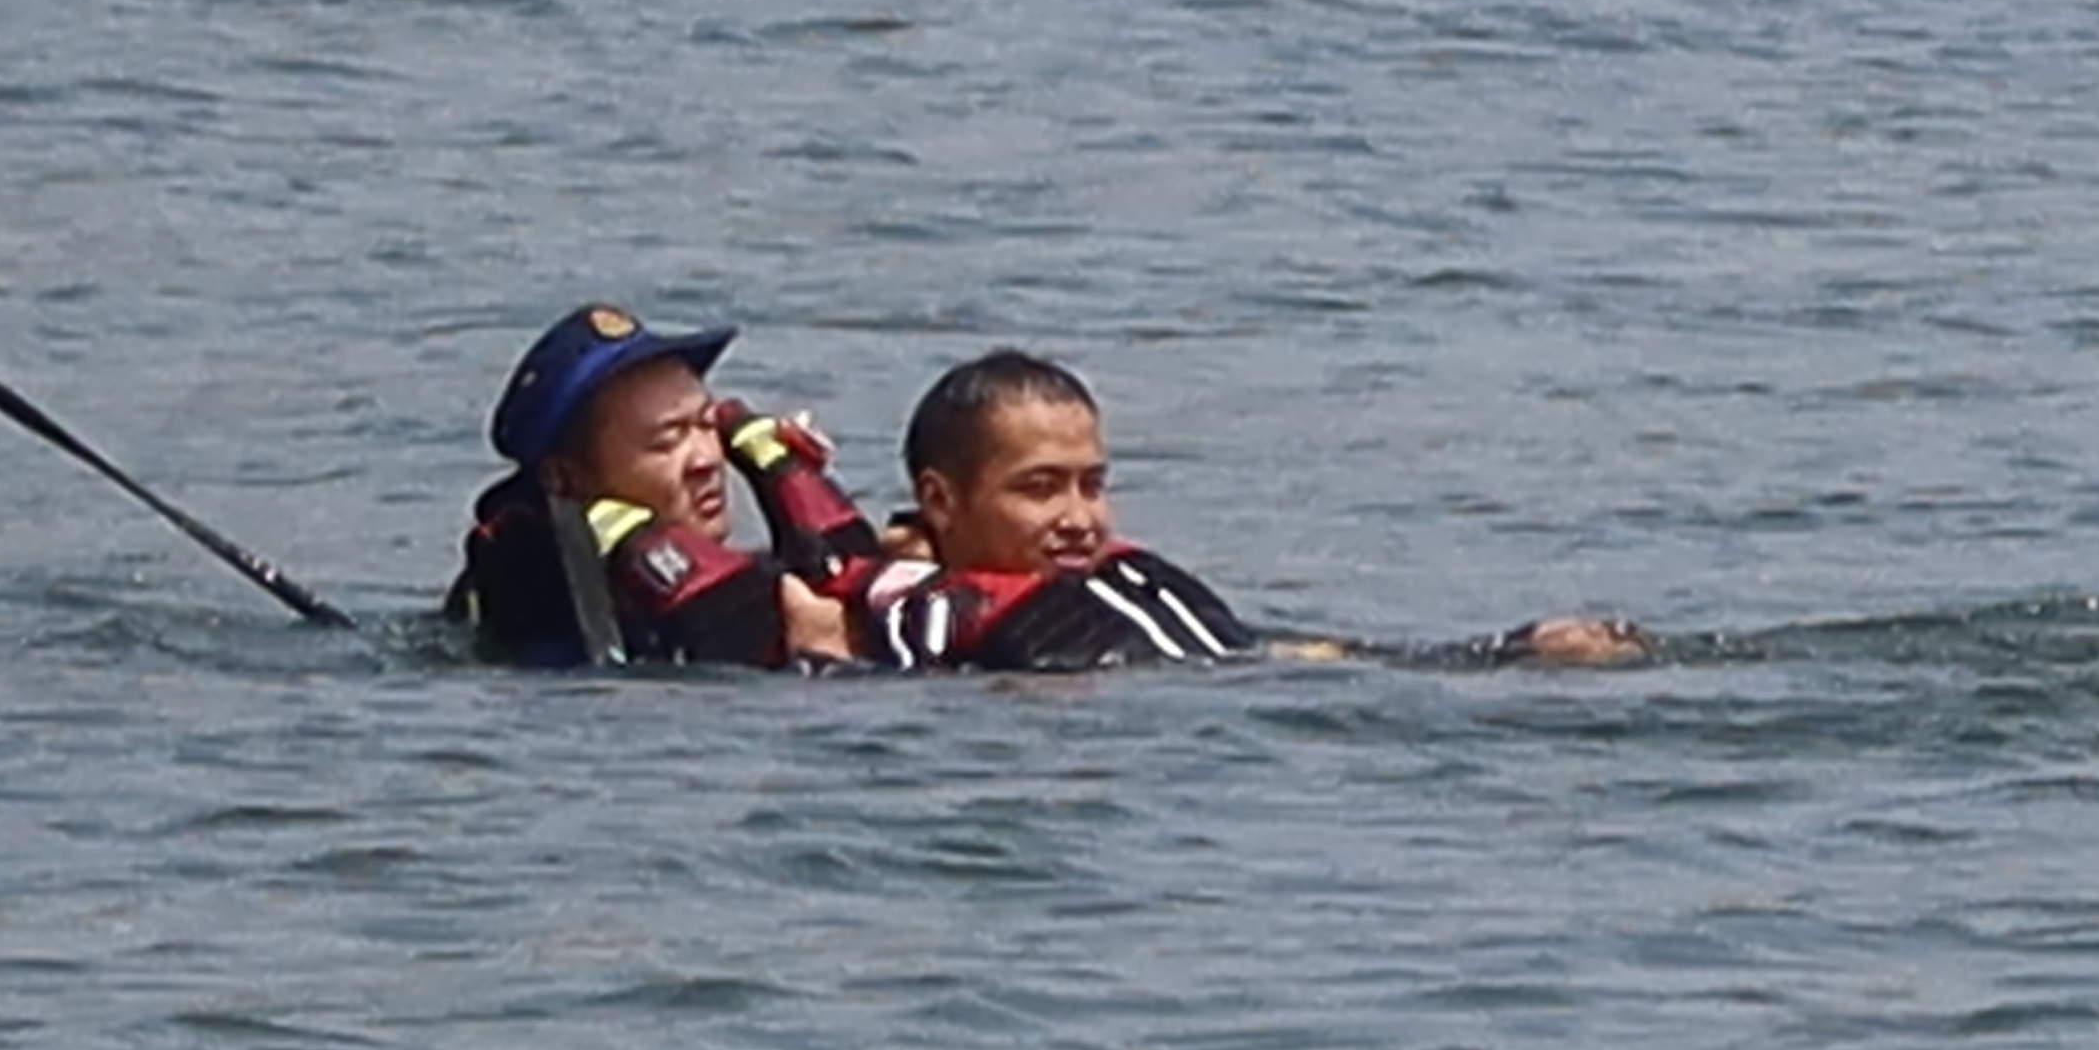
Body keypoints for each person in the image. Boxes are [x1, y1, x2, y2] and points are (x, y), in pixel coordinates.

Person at [854, 348, 1643, 670]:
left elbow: (1252, 655)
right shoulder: (924, 617)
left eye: (1092, 484)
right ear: (940, 500)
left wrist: (1500, 652)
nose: (1080, 517)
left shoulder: (1124, 575)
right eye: (1040, 488)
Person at [450, 303, 899, 668]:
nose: (706, 460)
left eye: (708, 425)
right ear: (565, 479)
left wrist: (779, 467)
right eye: (667, 442)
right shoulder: (549, 613)